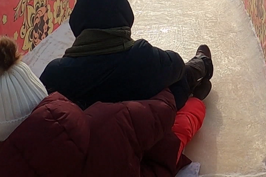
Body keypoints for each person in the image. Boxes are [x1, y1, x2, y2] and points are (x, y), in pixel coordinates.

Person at [0, 36, 208, 176]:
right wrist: (158, 84)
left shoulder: (57, 72)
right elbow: (162, 110)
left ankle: (197, 82)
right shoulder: (106, 121)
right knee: (175, 131)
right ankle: (198, 85)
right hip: (149, 145)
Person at [40, 0, 214, 112]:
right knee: (174, 82)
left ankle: (198, 78)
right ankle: (202, 65)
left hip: (88, 147)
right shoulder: (142, 57)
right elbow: (176, 65)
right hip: (142, 137)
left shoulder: (56, 74)